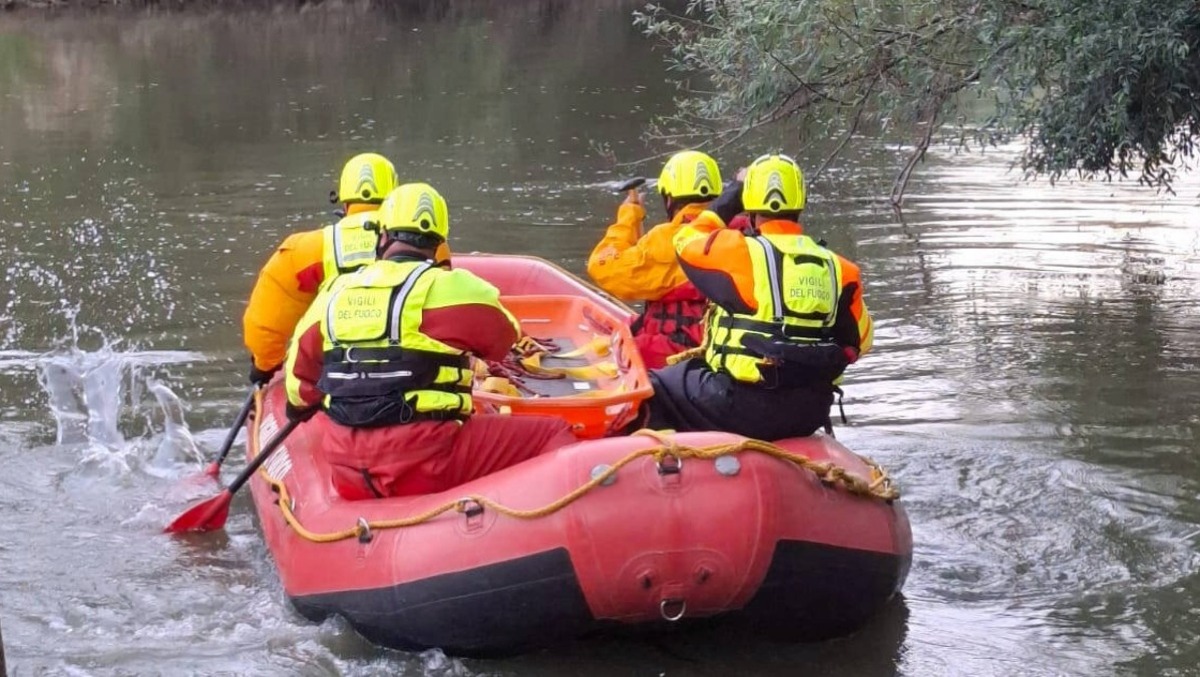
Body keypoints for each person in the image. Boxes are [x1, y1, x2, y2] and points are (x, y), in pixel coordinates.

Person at [284, 183, 577, 499]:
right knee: (554, 432)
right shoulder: (456, 288)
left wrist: (302, 408)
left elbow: (298, 387)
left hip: (348, 472)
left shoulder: (333, 292)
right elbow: (504, 339)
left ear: (382, 236)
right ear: (439, 244)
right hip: (426, 464)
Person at [635, 154, 874, 441]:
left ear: (748, 206)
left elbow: (685, 239)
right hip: (810, 411)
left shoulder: (740, 253)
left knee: (655, 386)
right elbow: (862, 342)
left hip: (742, 407)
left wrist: (732, 193)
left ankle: (668, 461)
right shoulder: (841, 269)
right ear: (800, 204)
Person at [242, 152, 451, 386]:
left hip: (332, 371)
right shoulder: (429, 245)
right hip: (406, 367)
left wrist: (265, 365)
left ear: (343, 200)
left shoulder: (303, 250)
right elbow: (444, 312)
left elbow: (265, 323)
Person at [586, 150, 723, 369]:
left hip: (678, 352)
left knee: (610, 347)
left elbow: (603, 267)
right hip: (716, 346)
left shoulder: (668, 238)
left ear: (669, 198)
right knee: (624, 327)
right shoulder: (736, 232)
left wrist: (629, 215)